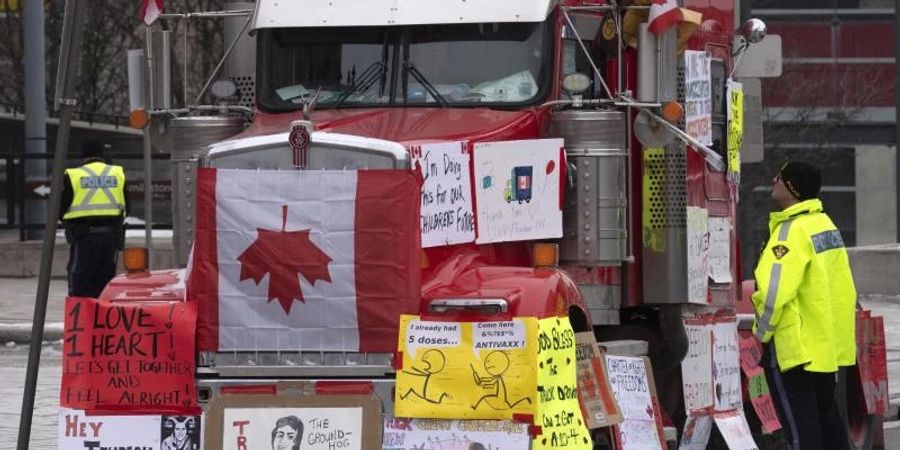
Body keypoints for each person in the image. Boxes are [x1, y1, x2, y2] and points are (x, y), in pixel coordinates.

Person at [751, 161, 856, 450]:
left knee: (800, 426)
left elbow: (773, 291)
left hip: (792, 348)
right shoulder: (825, 226)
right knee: (827, 417)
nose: (774, 180)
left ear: (792, 189)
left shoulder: (790, 232)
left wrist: (761, 332)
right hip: (822, 347)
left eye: (781, 177)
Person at [60, 139, 128, 298]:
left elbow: (61, 209)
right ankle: (102, 319)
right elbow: (126, 207)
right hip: (111, 238)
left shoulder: (74, 175)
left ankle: (81, 320)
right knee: (105, 284)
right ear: (102, 155)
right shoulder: (117, 173)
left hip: (84, 238)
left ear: (83, 156)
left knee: (80, 282)